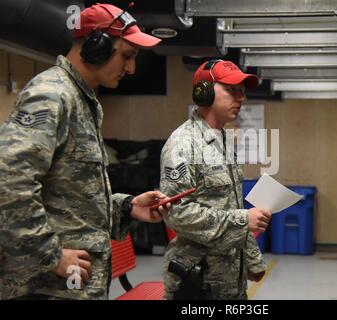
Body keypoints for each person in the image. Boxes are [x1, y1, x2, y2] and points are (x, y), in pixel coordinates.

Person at [0, 3, 173, 300]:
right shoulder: (52, 94)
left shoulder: (83, 101)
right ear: (97, 47)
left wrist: (128, 206)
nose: (131, 69)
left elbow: (71, 197)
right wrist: (51, 256)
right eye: (127, 56)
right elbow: (8, 182)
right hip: (45, 288)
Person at [160, 59, 272, 300]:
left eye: (241, 91)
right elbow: (177, 214)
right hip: (199, 285)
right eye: (232, 90)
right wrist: (243, 221)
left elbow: (231, 205)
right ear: (205, 92)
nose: (240, 98)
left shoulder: (221, 140)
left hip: (230, 281)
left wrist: (252, 259)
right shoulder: (183, 144)